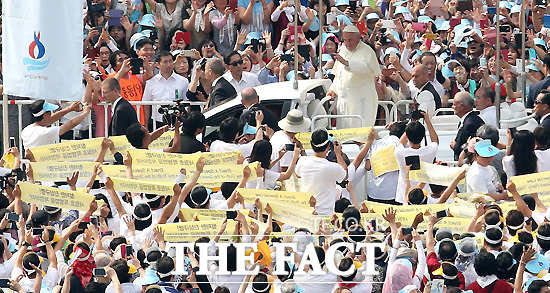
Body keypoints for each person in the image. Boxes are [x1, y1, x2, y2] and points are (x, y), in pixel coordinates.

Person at [326, 25, 381, 128]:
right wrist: (333, 89)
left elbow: (365, 68)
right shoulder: (343, 50)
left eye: (350, 40)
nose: (347, 43)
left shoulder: (367, 51)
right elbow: (339, 75)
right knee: (344, 132)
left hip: (360, 100)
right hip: (344, 100)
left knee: (359, 131)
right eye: (345, 40)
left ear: (358, 37)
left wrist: (347, 63)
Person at [295, 129, 347, 215]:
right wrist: (338, 154)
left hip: (306, 213)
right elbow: (345, 174)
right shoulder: (333, 167)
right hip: (326, 214)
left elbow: (298, 174)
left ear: (312, 146)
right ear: (328, 147)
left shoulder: (302, 161)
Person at [394, 111, 439, 204]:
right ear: (423, 136)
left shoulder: (400, 152)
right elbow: (435, 140)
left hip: (403, 196)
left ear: (407, 135)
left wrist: (411, 123)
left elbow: (401, 143)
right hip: (424, 194)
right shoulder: (429, 151)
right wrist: (427, 121)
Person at [142, 51, 190, 130]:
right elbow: (146, 105)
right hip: (157, 123)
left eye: (170, 61)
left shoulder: (183, 81)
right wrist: (146, 126)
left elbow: (187, 102)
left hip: (178, 122)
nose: (168, 64)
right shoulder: (151, 82)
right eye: (165, 62)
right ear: (157, 65)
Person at [21, 100, 91, 149]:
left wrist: (69, 109)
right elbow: (70, 124)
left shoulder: (27, 129)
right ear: (45, 114)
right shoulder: (45, 132)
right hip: (43, 167)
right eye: (49, 112)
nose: (51, 114)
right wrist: (85, 113)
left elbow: (50, 120)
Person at [451, 92, 485, 161]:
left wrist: (455, 146)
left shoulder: (470, 124)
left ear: (462, 106)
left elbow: (471, 148)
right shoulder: (470, 120)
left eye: (454, 104)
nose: (452, 107)